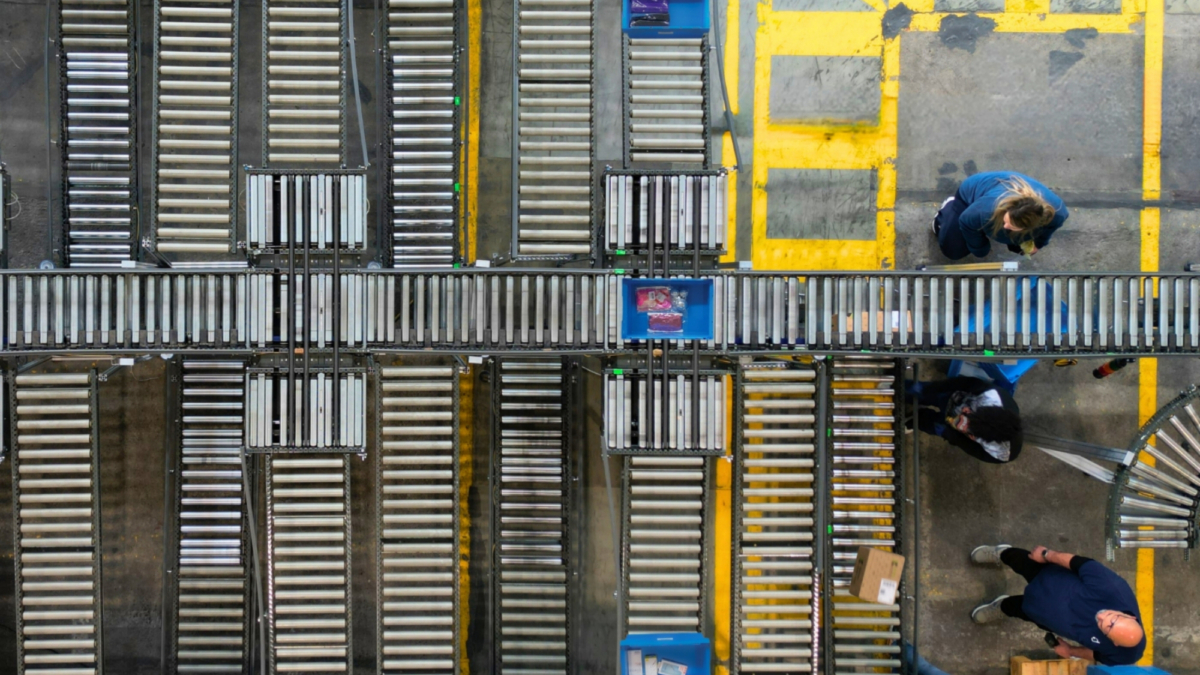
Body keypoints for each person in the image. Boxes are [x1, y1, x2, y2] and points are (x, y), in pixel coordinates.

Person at [969, 544, 1146, 666]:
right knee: (1017, 559)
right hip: (1047, 576)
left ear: (1114, 642)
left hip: (1041, 614)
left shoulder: (1126, 655)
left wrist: (1070, 651)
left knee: (1016, 608)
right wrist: (1047, 555)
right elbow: (1080, 563)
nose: (1100, 617)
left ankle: (1001, 606)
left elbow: (1097, 654)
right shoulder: (1113, 588)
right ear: (1130, 616)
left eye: (1105, 627)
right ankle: (1002, 553)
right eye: (1112, 616)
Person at [932, 171, 1068, 260]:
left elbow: (1048, 230)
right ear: (1009, 207)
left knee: (1018, 246)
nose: (1006, 225)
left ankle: (1003, 234)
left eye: (1012, 226)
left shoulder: (1058, 214)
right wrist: (981, 249)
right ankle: (948, 210)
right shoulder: (986, 208)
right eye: (1007, 220)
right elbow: (966, 222)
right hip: (969, 198)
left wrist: (1038, 244)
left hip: (995, 208)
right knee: (954, 250)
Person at [905, 376, 1023, 464]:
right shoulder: (991, 396)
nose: (964, 412)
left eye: (968, 423)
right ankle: (897, 387)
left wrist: (949, 434)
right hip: (957, 398)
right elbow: (963, 382)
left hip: (959, 428)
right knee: (919, 393)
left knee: (930, 423)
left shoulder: (1000, 453)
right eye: (970, 413)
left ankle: (913, 419)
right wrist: (932, 388)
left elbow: (970, 447)